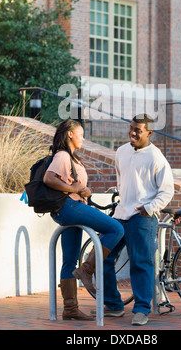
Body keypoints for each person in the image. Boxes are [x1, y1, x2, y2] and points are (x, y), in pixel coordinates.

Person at [43, 119, 124, 321]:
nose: (83, 138)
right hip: (70, 206)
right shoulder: (62, 155)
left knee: (69, 259)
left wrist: (81, 190)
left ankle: (70, 308)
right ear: (70, 134)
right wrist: (78, 190)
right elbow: (48, 178)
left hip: (69, 209)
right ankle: (87, 270)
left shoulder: (71, 157)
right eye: (81, 134)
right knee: (116, 229)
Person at [100, 114, 174, 326]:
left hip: (142, 217)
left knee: (141, 263)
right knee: (102, 257)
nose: (132, 133)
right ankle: (114, 304)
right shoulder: (121, 151)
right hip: (120, 215)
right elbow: (122, 180)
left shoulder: (156, 157)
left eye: (137, 130)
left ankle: (142, 309)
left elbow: (167, 191)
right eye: (131, 128)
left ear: (149, 133)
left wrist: (149, 207)